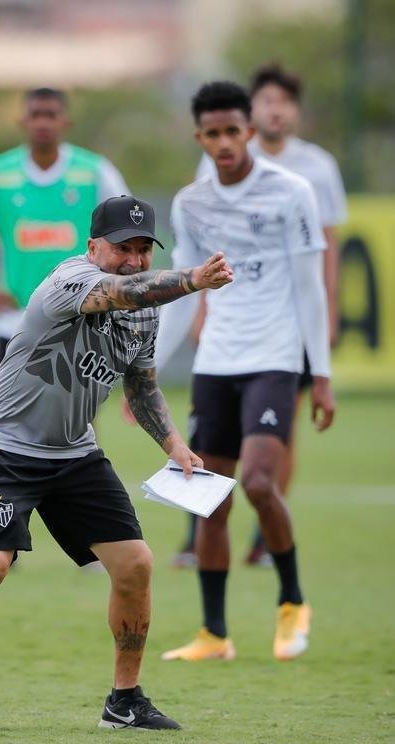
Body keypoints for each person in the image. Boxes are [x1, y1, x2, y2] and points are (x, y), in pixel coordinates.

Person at [0, 195, 233, 731]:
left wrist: (173, 446)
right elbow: (121, 290)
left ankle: (124, 702)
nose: (135, 260)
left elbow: (141, 384)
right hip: (3, 447)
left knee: (136, 563)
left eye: (145, 249)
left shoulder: (144, 310)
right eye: (124, 247)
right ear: (93, 246)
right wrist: (192, 280)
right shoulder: (69, 282)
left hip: (74, 452)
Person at [155, 81, 335, 663]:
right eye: (214, 133)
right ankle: (214, 633)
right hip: (216, 364)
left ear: (250, 130)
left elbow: (310, 287)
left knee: (258, 482)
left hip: (276, 359)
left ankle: (292, 603)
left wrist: (322, 374)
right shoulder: (192, 203)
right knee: (209, 499)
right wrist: (148, 373)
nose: (225, 141)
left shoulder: (292, 192)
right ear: (200, 137)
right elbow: (184, 293)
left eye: (235, 130)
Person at [178, 63, 347, 567]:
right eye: (267, 100)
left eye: (283, 101)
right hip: (226, 333)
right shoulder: (204, 182)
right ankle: (201, 547)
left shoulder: (311, 172)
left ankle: (267, 537)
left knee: (273, 441)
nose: (276, 109)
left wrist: (328, 314)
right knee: (211, 456)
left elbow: (326, 247)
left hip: (283, 329)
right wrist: (200, 310)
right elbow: (204, 257)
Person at [0, 87, 130, 370]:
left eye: (51, 115)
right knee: (5, 414)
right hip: (15, 322)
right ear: (22, 122)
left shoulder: (94, 171)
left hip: (79, 322)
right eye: (35, 115)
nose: (43, 123)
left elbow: (127, 232)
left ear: (65, 122)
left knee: (76, 415)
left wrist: (109, 288)